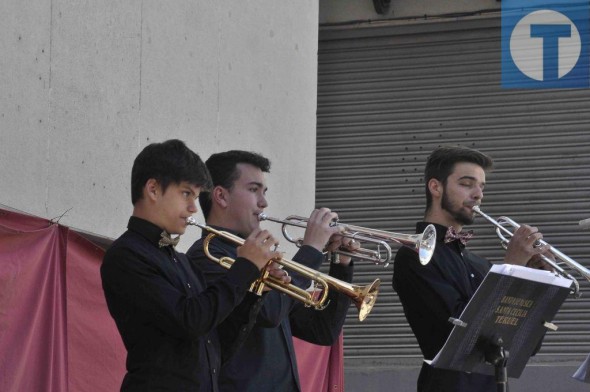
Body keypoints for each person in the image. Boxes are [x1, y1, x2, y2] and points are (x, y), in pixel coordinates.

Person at [100, 140, 283, 392]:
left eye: (196, 197)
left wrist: (256, 287)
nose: (193, 208)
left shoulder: (182, 262)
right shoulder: (127, 255)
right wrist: (245, 267)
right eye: (186, 193)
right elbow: (190, 319)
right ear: (153, 189)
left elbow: (217, 345)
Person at [187, 150, 356, 392]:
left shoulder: (259, 257)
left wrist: (341, 264)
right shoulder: (206, 255)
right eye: (254, 190)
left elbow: (322, 331)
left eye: (264, 192)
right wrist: (311, 249)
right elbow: (269, 312)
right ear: (221, 196)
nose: (264, 203)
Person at [392, 146, 552, 392]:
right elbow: (459, 335)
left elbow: (524, 345)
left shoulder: (481, 264)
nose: (478, 194)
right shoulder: (414, 256)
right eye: (467, 184)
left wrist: (534, 278)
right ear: (436, 188)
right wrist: (512, 267)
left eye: (482, 187)